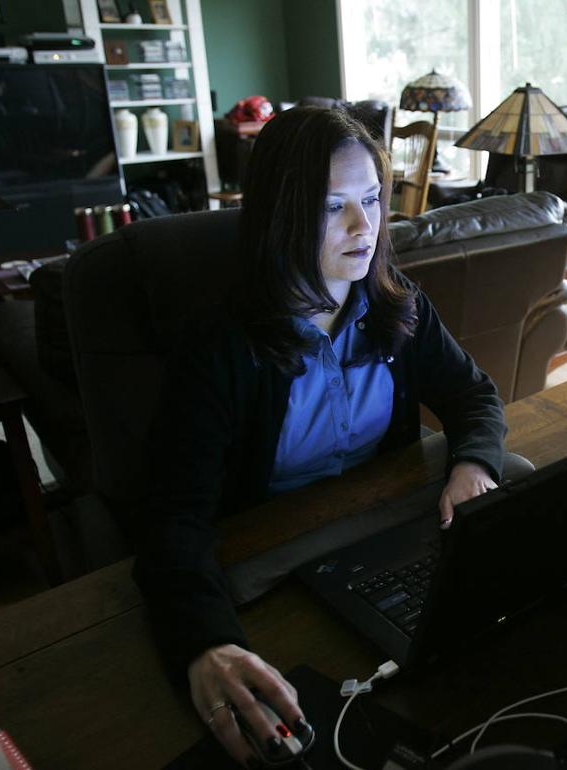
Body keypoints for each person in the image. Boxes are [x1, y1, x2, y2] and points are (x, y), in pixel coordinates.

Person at [131, 106, 506, 767]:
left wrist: (473, 464)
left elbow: (473, 394)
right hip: (269, 570)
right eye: (336, 208)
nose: (366, 227)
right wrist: (204, 644)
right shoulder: (219, 348)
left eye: (371, 199)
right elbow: (171, 519)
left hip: (385, 540)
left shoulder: (399, 305)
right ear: (284, 217)